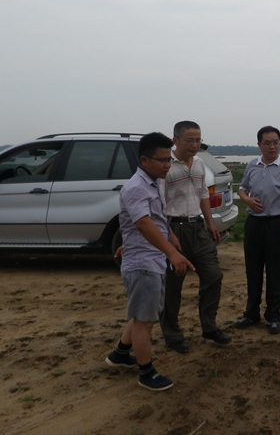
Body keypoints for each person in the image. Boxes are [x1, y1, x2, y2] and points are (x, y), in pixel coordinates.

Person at [105, 132, 195, 391]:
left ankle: (120, 354)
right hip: (143, 264)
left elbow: (155, 220)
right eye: (162, 160)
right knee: (145, 321)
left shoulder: (153, 182)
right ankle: (146, 373)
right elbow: (143, 224)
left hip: (149, 258)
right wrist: (173, 253)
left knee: (143, 313)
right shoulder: (136, 188)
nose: (167, 165)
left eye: (169, 160)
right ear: (144, 160)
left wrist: (171, 237)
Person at [159, 121, 231, 355]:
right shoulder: (166, 167)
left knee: (213, 276)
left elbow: (203, 195)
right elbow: (158, 205)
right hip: (173, 228)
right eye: (189, 140)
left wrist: (210, 224)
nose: (194, 144)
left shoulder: (199, 163)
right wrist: (169, 235)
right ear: (175, 140)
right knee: (172, 286)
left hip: (198, 228)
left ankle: (209, 326)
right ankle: (172, 334)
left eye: (198, 139)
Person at [235, 126, 280, 334]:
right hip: (254, 223)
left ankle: (273, 316)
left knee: (275, 271)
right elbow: (242, 188)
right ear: (259, 145)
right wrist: (247, 200)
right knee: (253, 270)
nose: (272, 147)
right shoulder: (252, 165)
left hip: (276, 223)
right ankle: (251, 313)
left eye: (276, 143)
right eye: (267, 143)